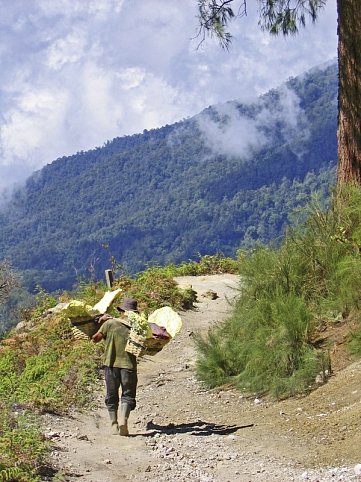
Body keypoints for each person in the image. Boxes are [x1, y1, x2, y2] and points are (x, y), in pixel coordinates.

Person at [92, 298, 138, 436]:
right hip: (129, 365)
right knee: (128, 394)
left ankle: (114, 424)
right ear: (135, 313)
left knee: (111, 395)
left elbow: (95, 338)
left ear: (121, 311)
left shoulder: (110, 324)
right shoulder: (138, 327)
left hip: (110, 365)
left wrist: (99, 324)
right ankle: (124, 420)